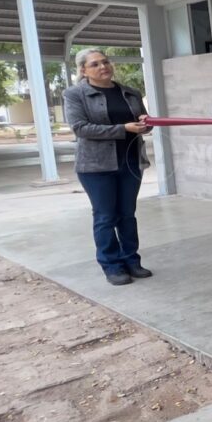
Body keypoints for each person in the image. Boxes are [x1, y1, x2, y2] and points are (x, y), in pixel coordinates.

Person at [63, 48, 153, 286]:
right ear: (83, 70)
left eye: (105, 62)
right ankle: (111, 265)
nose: (103, 67)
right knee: (105, 216)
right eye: (95, 64)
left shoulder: (130, 92)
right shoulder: (74, 94)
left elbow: (143, 122)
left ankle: (132, 261)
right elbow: (80, 128)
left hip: (130, 162)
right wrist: (123, 128)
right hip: (96, 166)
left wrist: (146, 123)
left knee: (127, 215)